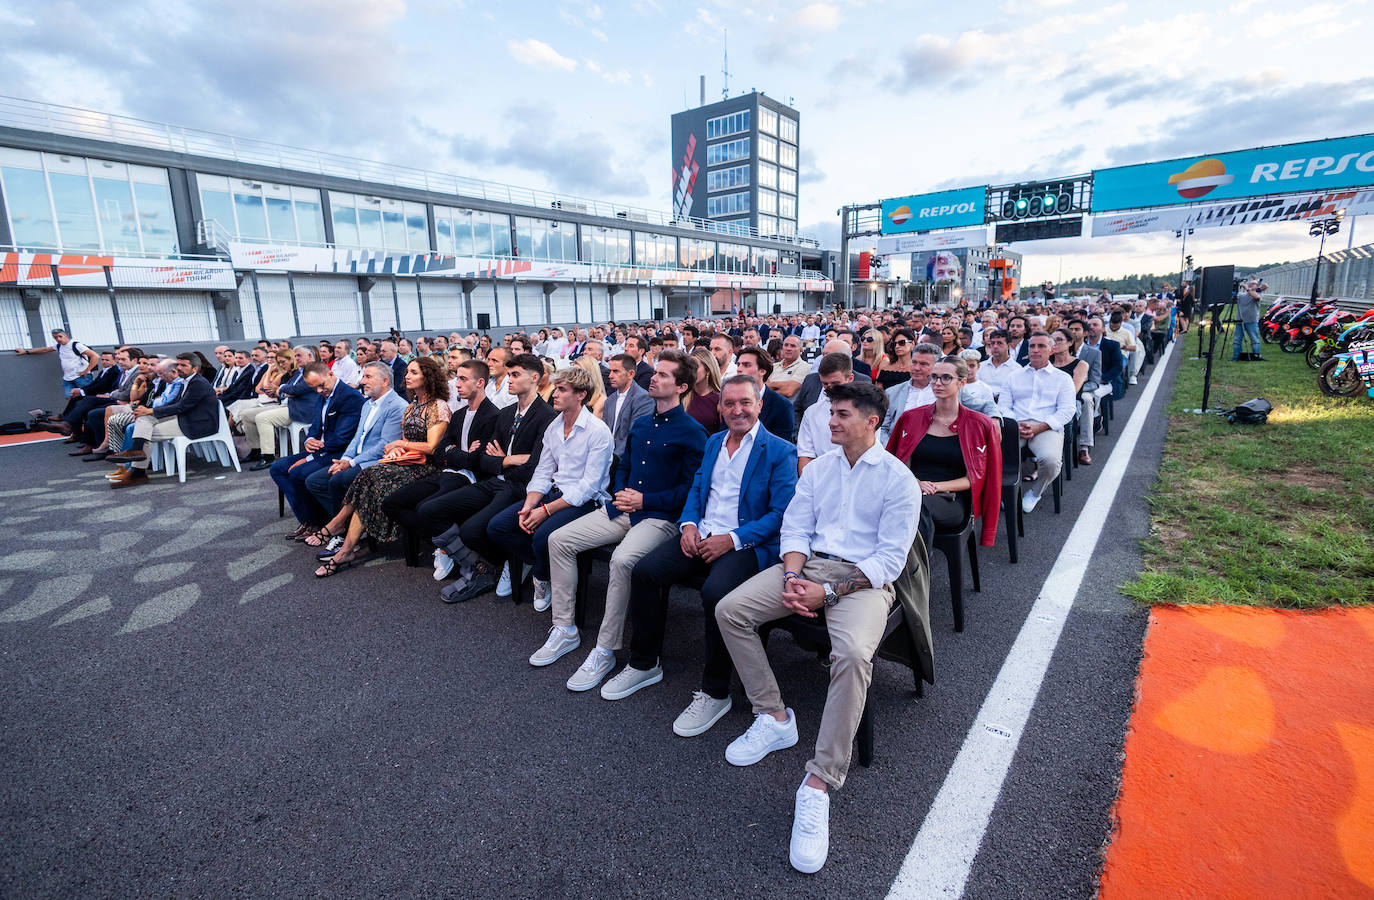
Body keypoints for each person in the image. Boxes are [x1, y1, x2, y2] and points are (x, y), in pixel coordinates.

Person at [714, 381, 921, 874]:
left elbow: (888, 562)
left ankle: (820, 781)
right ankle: (775, 716)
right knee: (731, 609)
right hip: (806, 568)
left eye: (842, 414)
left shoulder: (898, 479)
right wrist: (790, 575)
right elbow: (795, 527)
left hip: (862, 582)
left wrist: (826, 593)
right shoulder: (820, 469)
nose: (830, 421)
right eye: (831, 412)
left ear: (872, 421)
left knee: (850, 656)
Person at [609, 374, 799, 735]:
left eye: (745, 402)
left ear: (760, 404)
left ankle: (715, 692)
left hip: (747, 542)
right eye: (729, 403)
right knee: (645, 570)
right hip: (701, 534)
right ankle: (644, 663)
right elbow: (698, 489)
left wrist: (733, 538)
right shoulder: (714, 442)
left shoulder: (779, 451)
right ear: (720, 407)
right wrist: (689, 525)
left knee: (716, 594)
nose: (737, 410)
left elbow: (780, 515)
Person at [535, 351, 707, 692]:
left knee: (623, 559)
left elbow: (692, 490)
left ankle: (605, 648)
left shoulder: (693, 432)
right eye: (654, 372)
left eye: (664, 375)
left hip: (660, 517)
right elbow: (624, 464)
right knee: (559, 540)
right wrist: (621, 492)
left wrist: (646, 500)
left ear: (682, 386)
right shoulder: (643, 423)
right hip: (623, 508)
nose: (654, 378)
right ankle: (565, 629)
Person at [477, 366, 613, 601]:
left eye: (562, 390)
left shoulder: (597, 431)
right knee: (497, 526)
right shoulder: (555, 426)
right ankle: (541, 565)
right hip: (554, 493)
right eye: (556, 389)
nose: (554, 394)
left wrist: (545, 510)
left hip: (585, 502)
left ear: (580, 395)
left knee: (543, 536)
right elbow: (542, 471)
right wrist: (530, 505)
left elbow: (588, 487)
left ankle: (541, 574)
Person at [430, 354, 557, 602]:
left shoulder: (547, 416)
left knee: (473, 530)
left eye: (515, 374)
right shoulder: (507, 413)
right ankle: (488, 561)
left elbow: (534, 467)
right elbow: (483, 459)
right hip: (494, 480)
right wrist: (509, 459)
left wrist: (500, 461)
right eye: (509, 374)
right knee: (432, 509)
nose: (508, 379)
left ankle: (514, 558)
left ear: (534, 378)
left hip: (519, 487)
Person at [313, 357, 452, 576]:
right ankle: (345, 546)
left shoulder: (438, 406)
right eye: (407, 372)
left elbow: (432, 447)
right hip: (407, 463)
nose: (407, 376)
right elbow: (405, 444)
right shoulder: (413, 407)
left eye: (414, 373)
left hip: (428, 468)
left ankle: (338, 528)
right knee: (369, 477)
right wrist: (396, 451)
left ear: (428, 377)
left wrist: (400, 444)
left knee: (369, 476)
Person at [382, 359, 500, 569]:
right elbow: (440, 450)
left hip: (469, 477)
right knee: (391, 503)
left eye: (463, 379)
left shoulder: (493, 415)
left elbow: (478, 461)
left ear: (480, 382)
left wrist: (454, 452)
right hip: (445, 471)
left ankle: (458, 553)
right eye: (457, 378)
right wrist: (459, 452)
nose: (457, 384)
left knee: (424, 508)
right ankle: (447, 543)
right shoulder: (461, 413)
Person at [887, 354, 1002, 546]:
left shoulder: (980, 424)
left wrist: (934, 487)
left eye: (946, 377)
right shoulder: (911, 418)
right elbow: (895, 462)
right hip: (910, 488)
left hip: (951, 498)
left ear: (962, 382)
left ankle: (914, 572)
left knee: (913, 508)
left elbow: (976, 477)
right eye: (934, 377)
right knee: (894, 505)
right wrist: (916, 483)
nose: (937, 383)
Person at [293, 361, 408, 544]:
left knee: (337, 480)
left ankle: (343, 532)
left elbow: (384, 445)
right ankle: (346, 525)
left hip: (378, 461)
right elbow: (357, 438)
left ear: (385, 380)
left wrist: (351, 463)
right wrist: (346, 458)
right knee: (314, 481)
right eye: (363, 376)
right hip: (357, 458)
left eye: (368, 377)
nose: (362, 381)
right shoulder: (368, 404)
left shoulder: (397, 406)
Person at [270, 362, 366, 535]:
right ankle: (307, 520)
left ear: (330, 374)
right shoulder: (323, 394)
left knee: (298, 473)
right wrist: (309, 439)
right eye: (314, 388)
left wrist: (308, 458)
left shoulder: (349, 397)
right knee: (277, 468)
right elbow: (316, 425)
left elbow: (341, 439)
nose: (319, 391)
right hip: (321, 448)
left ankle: (318, 521)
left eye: (321, 386)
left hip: (339, 452)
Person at [106, 353, 221, 489]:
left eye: (184, 365)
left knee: (144, 432)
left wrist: (150, 411)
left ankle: (137, 471)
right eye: (178, 364)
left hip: (196, 424)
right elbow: (176, 405)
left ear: (195, 369)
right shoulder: (186, 381)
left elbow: (181, 406)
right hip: (184, 418)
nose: (179, 368)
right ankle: (136, 456)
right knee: (143, 420)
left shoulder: (198, 383)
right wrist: (147, 411)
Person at [1005, 333, 1077, 514]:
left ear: (1051, 350)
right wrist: (1016, 424)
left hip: (1046, 426)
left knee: (1051, 461)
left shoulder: (1062, 378)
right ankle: (1004, 493)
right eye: (1032, 346)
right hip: (1016, 424)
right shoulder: (1014, 375)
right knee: (995, 454)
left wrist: (1040, 427)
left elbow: (1067, 410)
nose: (1035, 350)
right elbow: (1003, 406)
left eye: (1041, 346)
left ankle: (1035, 492)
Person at [796, 353, 855, 471]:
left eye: (836, 383)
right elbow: (806, 455)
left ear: (850, 378)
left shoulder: (866, 410)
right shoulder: (812, 412)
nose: (830, 388)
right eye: (825, 384)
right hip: (820, 477)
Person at [879, 342, 940, 444]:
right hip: (899, 449)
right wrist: (891, 450)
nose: (916, 368)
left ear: (936, 367)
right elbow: (882, 427)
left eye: (923, 364)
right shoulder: (893, 393)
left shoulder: (944, 392)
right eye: (914, 362)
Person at [603, 354, 655, 469]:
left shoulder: (643, 398)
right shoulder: (609, 401)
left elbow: (635, 437)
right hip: (605, 459)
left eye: (616, 371)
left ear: (631, 374)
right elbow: (604, 433)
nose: (610, 376)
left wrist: (612, 460)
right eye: (610, 371)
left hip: (626, 463)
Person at [733, 347, 793, 439]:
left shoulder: (782, 406)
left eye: (746, 365)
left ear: (762, 371)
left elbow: (781, 447)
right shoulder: (731, 401)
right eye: (738, 365)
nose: (739, 369)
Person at [17, 328, 99, 394]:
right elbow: (45, 349)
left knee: (86, 396)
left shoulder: (76, 345)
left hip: (82, 377)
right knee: (70, 397)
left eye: (60, 336)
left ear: (66, 335)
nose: (58, 339)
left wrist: (86, 371)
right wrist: (26, 352)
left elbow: (95, 356)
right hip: (68, 378)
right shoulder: (59, 346)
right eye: (55, 337)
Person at [955, 349, 1001, 418]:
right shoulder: (954, 385)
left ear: (978, 366)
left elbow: (989, 410)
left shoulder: (985, 388)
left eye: (972, 366)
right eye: (965, 365)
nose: (968, 369)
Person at [686, 346, 723, 433]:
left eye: (695, 367)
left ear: (708, 370)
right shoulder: (682, 395)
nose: (691, 371)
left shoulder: (720, 400)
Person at [1232, 279, 1266, 362]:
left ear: (1257, 286)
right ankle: (1236, 357)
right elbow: (1233, 297)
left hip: (1252, 321)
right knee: (1237, 340)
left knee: (1254, 339)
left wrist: (1247, 288)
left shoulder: (1258, 294)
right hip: (1240, 320)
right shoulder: (1241, 295)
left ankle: (1256, 355)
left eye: (1254, 284)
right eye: (1250, 283)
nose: (1251, 285)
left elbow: (1256, 297)